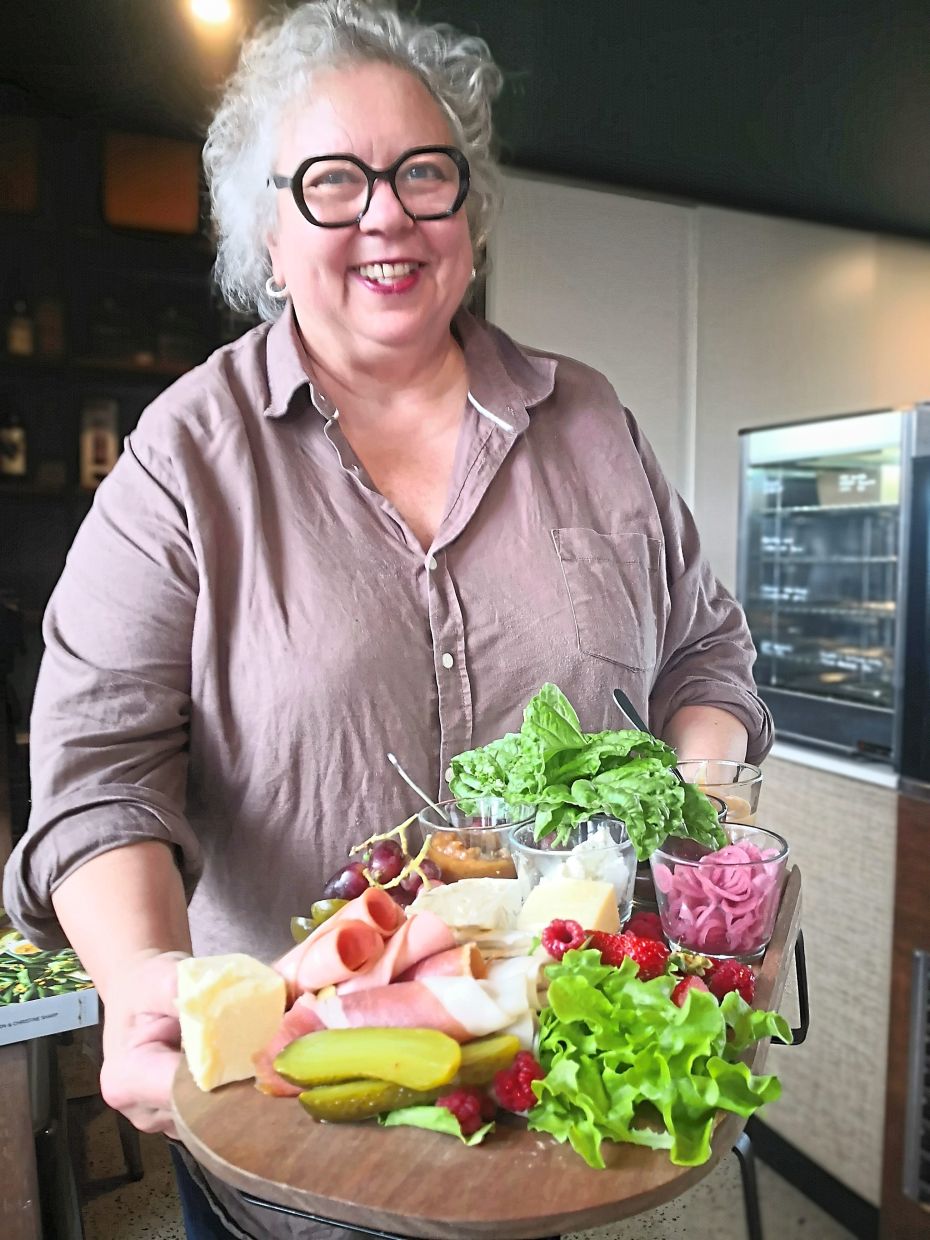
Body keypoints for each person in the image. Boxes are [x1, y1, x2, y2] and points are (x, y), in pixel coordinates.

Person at [3, 1, 772, 1235]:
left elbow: (707, 652)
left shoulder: (592, 425)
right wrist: (147, 981)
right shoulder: (185, 456)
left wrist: (702, 825)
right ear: (266, 225)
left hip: (555, 1125)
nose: (387, 215)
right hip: (297, 1131)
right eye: (332, 181)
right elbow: (98, 767)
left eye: (425, 173)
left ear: (467, 210)